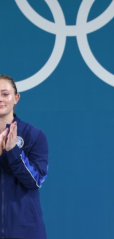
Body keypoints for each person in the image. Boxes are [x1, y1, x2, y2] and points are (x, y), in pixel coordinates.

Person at [0, 75, 49, 239]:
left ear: (16, 98)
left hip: (25, 231)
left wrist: (13, 151)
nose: (0, 99)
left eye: (5, 94)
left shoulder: (34, 135)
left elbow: (35, 181)